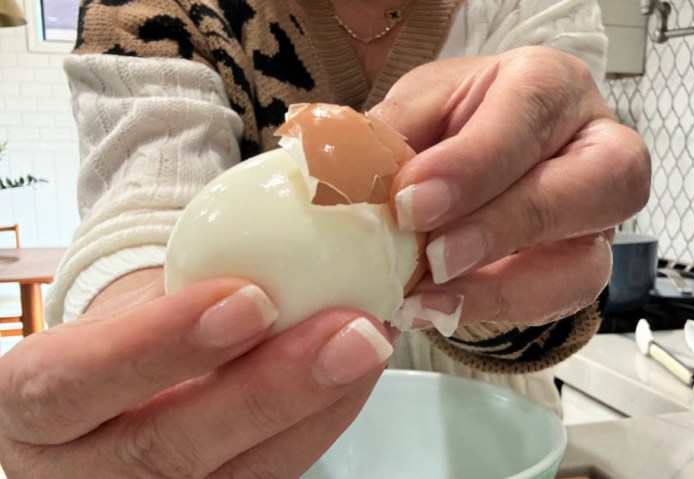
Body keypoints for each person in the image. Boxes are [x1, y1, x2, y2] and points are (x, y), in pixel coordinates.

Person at [0, 0, 650, 476]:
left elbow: (546, 238)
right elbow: (142, 210)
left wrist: (490, 267)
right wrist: (142, 351)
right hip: (232, 437)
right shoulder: (157, 9)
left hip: (490, 443)